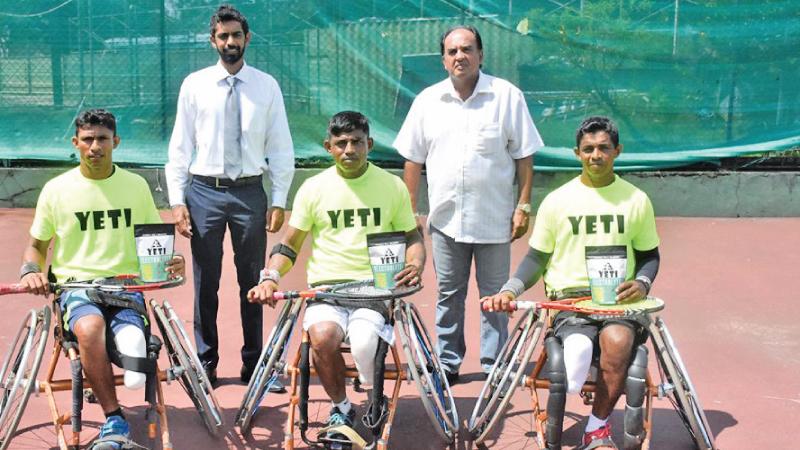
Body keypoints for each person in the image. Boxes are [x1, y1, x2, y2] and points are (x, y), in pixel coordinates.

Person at [482, 116, 661, 450]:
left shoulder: (636, 200)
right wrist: (511, 289)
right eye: (588, 149)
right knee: (577, 350)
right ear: (577, 153)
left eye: (603, 148)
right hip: (569, 303)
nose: (596, 155)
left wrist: (642, 282)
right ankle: (579, 375)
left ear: (617, 151)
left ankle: (596, 429)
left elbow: (650, 255)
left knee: (619, 340)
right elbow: (537, 258)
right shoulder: (557, 201)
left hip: (617, 303)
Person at [248, 111, 425, 440]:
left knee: (362, 341)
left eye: (356, 142)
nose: (349, 150)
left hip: (374, 288)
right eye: (341, 143)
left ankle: (373, 394)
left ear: (369, 144)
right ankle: (342, 407)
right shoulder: (314, 189)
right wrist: (270, 276)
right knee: (323, 337)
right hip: (327, 289)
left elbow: (412, 237)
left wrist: (414, 263)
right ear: (328, 147)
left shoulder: (392, 186)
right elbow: (289, 244)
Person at [19, 109, 185, 450]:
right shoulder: (56, 190)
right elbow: (36, 247)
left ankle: (102, 367)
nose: (95, 146)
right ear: (76, 143)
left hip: (125, 288)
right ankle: (114, 420)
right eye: (88, 139)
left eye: (103, 139)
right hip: (77, 289)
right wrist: (32, 271)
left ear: (116, 142)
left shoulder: (135, 186)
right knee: (90, 328)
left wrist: (170, 261)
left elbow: (153, 240)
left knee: (137, 368)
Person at [393, 25, 544, 382]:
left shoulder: (507, 97)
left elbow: (524, 156)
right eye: (453, 51)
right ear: (443, 60)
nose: (460, 56)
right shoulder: (427, 101)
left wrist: (523, 205)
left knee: (495, 296)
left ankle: (495, 365)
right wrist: (411, 211)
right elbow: (413, 160)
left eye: (467, 49)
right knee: (449, 294)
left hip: (495, 218)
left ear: (481, 55)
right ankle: (447, 362)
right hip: (445, 220)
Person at [165, 4, 295, 385]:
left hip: (249, 193)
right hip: (204, 192)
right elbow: (179, 147)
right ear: (213, 41)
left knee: (253, 282)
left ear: (247, 38)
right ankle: (206, 362)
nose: (230, 42)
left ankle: (254, 363)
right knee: (206, 282)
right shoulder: (195, 85)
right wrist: (177, 200)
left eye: (236, 35)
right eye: (223, 36)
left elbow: (281, 146)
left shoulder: (266, 86)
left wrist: (279, 198)